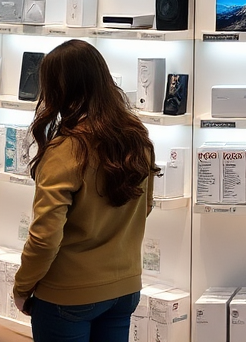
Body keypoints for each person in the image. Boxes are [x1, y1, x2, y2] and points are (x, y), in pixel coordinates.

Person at [14, 39, 159, 341]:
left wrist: (22, 286)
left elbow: (45, 238)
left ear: (57, 90)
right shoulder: (136, 139)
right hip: (125, 289)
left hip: (67, 294)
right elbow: (144, 208)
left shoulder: (65, 150)